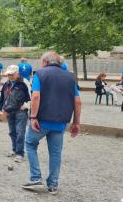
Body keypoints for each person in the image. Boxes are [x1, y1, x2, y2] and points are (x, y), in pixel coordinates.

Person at [22, 51, 81, 195]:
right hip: (60, 123)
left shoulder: (40, 74)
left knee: (30, 144)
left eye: (41, 61)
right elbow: (78, 101)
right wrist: (76, 123)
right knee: (55, 153)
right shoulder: (70, 77)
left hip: (41, 120)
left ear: (46, 62)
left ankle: (36, 178)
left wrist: (33, 117)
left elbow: (35, 97)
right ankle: (53, 185)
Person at [0, 65, 30, 163]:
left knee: (20, 132)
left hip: (21, 111)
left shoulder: (24, 82)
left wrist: (26, 105)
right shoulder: (7, 84)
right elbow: (3, 97)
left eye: (12, 74)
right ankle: (14, 149)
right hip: (9, 111)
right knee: (12, 132)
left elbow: (32, 95)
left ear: (17, 73)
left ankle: (20, 153)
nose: (10, 76)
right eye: (8, 74)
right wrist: (2, 108)